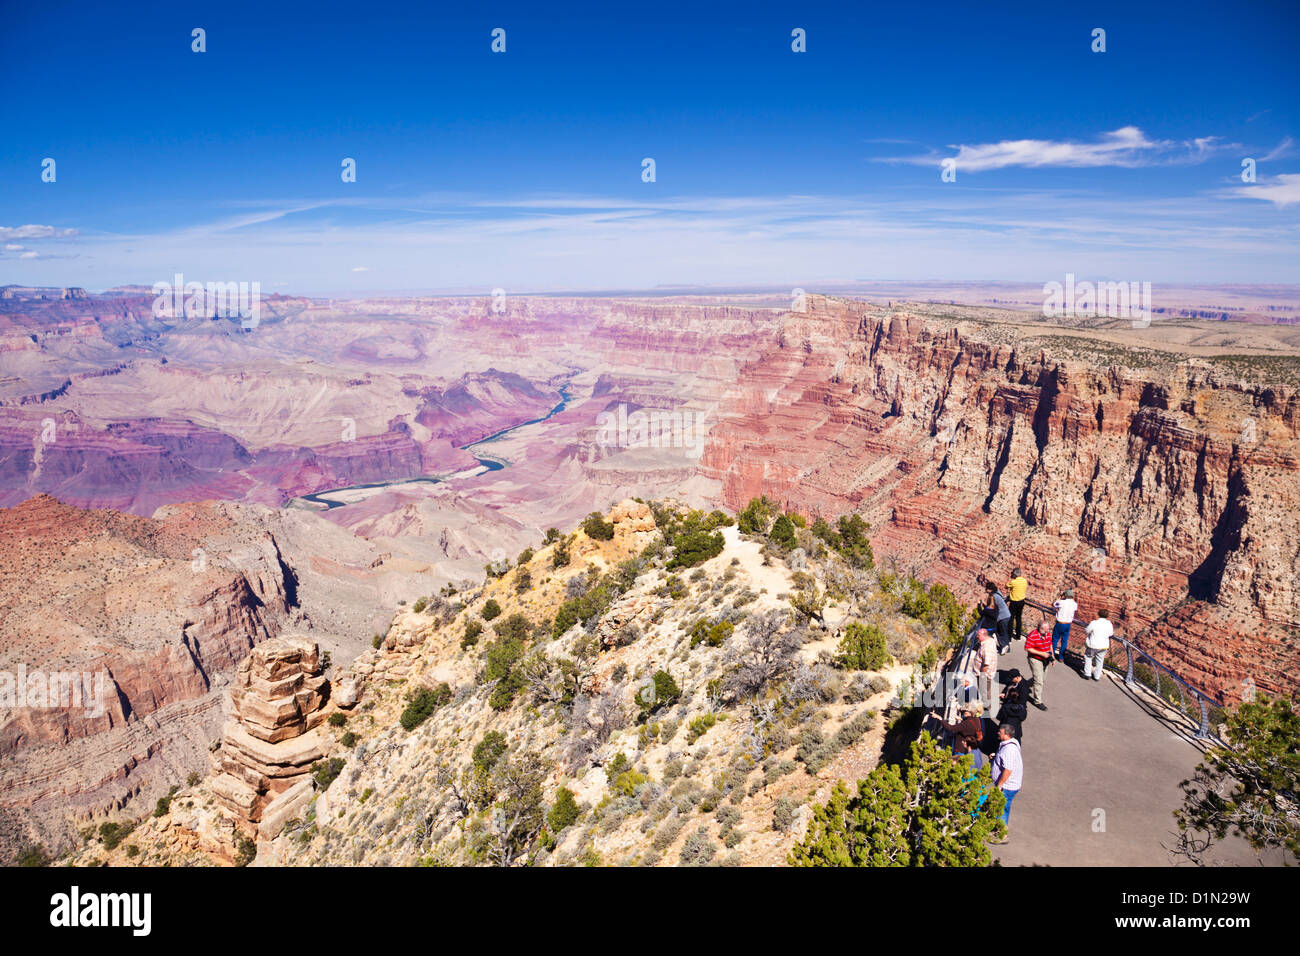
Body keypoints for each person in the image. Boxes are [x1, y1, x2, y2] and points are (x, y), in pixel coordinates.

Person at [989, 722, 1024, 833]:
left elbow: (1008, 770)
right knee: (1004, 808)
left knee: (1001, 809)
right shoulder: (1010, 744)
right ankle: (999, 829)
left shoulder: (1009, 750)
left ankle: (1001, 833)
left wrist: (1000, 785)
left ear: (1007, 735)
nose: (998, 732)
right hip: (1009, 785)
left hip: (1007, 786)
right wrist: (996, 757)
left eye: (1000, 732)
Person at [1024, 615, 1053, 710]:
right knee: (1039, 681)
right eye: (1045, 630)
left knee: (1041, 679)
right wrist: (1041, 653)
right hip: (1035, 659)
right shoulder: (1033, 635)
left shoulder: (1047, 634)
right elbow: (1027, 648)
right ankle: (1038, 701)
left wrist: (1052, 657)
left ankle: (1024, 685)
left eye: (1048, 630)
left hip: (1045, 659)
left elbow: (1050, 645)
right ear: (1040, 628)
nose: (1047, 632)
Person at [1083, 609, 1114, 681]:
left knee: (1088, 657)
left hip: (1093, 644)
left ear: (1098, 614)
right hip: (1104, 646)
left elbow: (1087, 630)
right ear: (1107, 616)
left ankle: (1087, 674)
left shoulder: (1094, 623)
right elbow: (1111, 633)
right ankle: (1097, 676)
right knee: (1100, 661)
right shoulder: (1109, 624)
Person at [984, 582, 1013, 654]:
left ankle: (1004, 646)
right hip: (1006, 614)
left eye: (987, 589)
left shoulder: (994, 597)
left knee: (1001, 632)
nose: (986, 590)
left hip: (1002, 616)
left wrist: (984, 608)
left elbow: (992, 607)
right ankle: (1006, 647)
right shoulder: (998, 592)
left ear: (990, 589)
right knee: (1003, 632)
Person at [998, 669, 1029, 737]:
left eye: (1012, 678)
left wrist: (1008, 703)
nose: (1011, 680)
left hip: (1014, 712)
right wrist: (1004, 693)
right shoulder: (1013, 681)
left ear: (1017, 677)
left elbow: (1021, 703)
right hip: (1008, 707)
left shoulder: (1023, 688)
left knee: (1010, 732)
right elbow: (1008, 688)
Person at [973, 627, 998, 709]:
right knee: (986, 691)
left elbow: (986, 664)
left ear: (984, 635)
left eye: (978, 635)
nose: (977, 636)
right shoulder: (990, 640)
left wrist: (982, 676)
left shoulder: (986, 647)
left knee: (984, 692)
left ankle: (986, 708)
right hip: (987, 673)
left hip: (985, 675)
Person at [1051, 588, 1077, 661]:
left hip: (1060, 624)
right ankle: (1061, 657)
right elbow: (1073, 605)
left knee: (1055, 640)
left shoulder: (1062, 602)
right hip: (1068, 625)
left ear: (1065, 595)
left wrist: (1060, 596)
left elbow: (1053, 604)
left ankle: (1052, 655)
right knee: (1064, 641)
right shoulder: (1074, 604)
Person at [1005, 568, 1028, 639]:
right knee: (1018, 618)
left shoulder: (1013, 582)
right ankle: (1018, 636)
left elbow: (1006, 586)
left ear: (1014, 574)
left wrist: (1011, 579)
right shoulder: (1024, 581)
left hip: (1014, 602)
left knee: (1011, 619)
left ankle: (1009, 636)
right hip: (1021, 602)